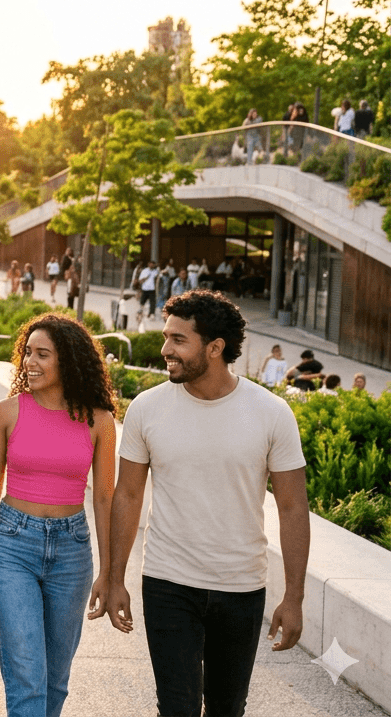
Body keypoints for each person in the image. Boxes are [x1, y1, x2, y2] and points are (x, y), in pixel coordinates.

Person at [105, 290, 310, 717]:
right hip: (167, 580)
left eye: (178, 340)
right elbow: (127, 494)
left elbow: (293, 507)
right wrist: (114, 577)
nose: (165, 349)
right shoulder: (147, 408)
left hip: (241, 586)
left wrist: (293, 597)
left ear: (215, 348)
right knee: (176, 707)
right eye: (166, 337)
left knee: (226, 707)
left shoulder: (271, 413)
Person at [0, 313, 117, 717]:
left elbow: (105, 498)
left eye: (42, 354)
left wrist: (109, 572)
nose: (29, 363)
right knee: (27, 674)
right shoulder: (7, 412)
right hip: (12, 546)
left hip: (72, 551)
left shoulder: (100, 421)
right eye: (27, 352)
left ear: (67, 361)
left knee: (55, 678)